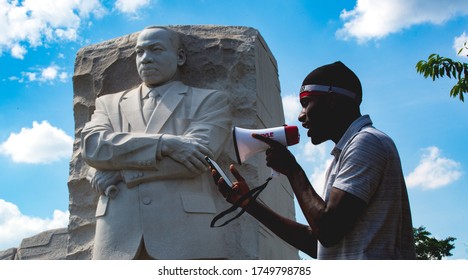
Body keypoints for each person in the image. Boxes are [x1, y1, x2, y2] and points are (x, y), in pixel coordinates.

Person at [212, 61, 415, 259]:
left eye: (305, 103)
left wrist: (291, 169)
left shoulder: (366, 142)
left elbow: (328, 230)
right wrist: (248, 203)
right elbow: (318, 244)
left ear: (331, 100)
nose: (301, 116)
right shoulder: (345, 153)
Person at [81, 26, 232, 259]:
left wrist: (121, 172)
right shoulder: (108, 104)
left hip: (187, 235)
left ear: (180, 56)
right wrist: (165, 144)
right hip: (117, 237)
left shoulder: (209, 101)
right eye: (139, 52)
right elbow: (93, 146)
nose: (146, 58)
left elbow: (200, 157)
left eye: (156, 49)